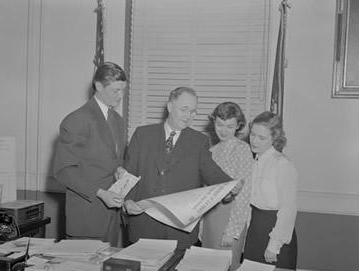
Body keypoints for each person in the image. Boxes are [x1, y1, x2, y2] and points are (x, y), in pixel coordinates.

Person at [123, 87, 234, 249]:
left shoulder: (199, 141)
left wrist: (230, 185)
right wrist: (127, 201)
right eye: (184, 109)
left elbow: (211, 171)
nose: (189, 116)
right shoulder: (142, 134)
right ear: (169, 107)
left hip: (179, 230)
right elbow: (129, 173)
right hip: (144, 225)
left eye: (193, 111)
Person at [53, 62, 127, 246]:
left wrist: (119, 169)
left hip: (111, 218)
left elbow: (110, 160)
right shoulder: (77, 120)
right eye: (116, 91)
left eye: (123, 90)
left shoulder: (118, 121)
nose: (120, 97)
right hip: (86, 217)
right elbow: (64, 171)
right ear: (99, 86)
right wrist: (100, 193)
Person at [201, 102, 253, 268]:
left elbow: (244, 195)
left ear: (238, 126)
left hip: (230, 218)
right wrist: (202, 225)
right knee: (206, 270)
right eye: (219, 124)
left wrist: (232, 231)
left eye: (229, 126)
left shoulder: (242, 149)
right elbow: (205, 191)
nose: (223, 130)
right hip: (210, 217)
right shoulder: (212, 151)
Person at [243, 111, 298, 270]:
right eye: (253, 135)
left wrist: (274, 245)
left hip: (274, 231)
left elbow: (288, 210)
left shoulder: (283, 165)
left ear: (274, 138)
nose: (254, 141)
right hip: (255, 230)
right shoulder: (253, 162)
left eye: (262, 138)